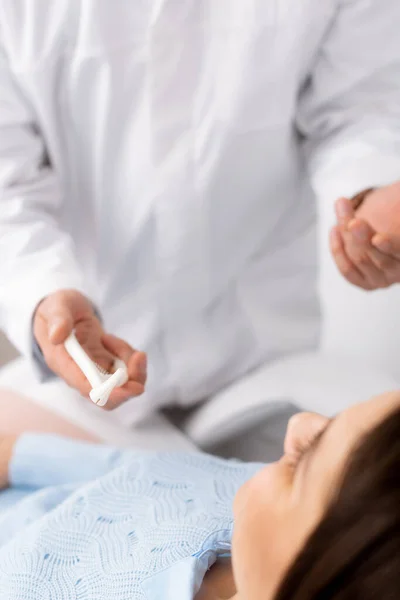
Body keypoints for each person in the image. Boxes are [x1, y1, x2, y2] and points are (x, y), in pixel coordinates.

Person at [0, 2, 400, 447]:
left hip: (261, 350)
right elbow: (7, 183)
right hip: (85, 375)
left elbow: (363, 109)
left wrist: (371, 193)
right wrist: (43, 292)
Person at [0, 389, 398, 599]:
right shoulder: (242, 497)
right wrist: (19, 456)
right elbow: (138, 474)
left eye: (305, 460)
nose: (300, 422)